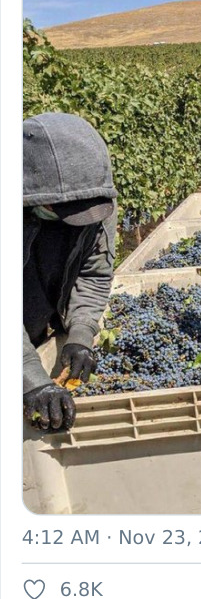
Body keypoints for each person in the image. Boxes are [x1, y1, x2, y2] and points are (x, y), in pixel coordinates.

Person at [23, 113, 118, 432]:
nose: (81, 217)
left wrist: (80, 334)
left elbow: (93, 275)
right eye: (64, 211)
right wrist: (31, 379)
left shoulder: (95, 198)